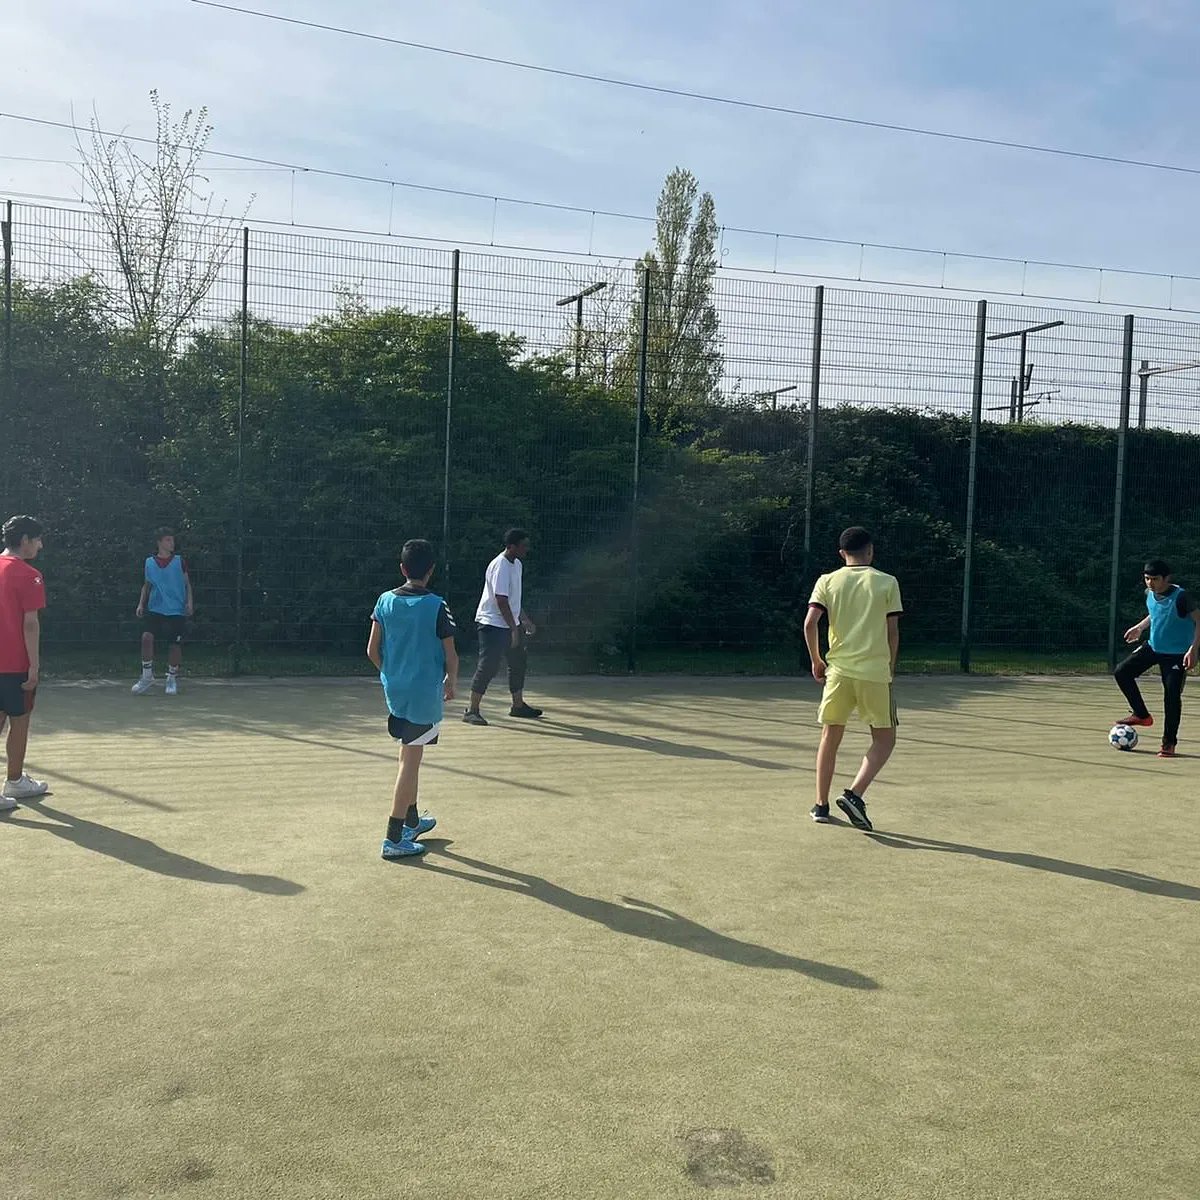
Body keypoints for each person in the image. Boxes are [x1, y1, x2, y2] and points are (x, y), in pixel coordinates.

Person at [803, 526, 902, 832]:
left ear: (841, 553)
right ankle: (855, 795)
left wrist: (817, 661)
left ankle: (821, 806)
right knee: (884, 740)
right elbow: (892, 631)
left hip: (839, 673)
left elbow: (810, 623)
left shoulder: (827, 581)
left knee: (829, 738)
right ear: (870, 551)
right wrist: (890, 666)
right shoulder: (887, 582)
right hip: (874, 673)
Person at [368, 538, 459, 860]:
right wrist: (451, 682)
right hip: (424, 694)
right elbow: (451, 654)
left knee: (408, 754)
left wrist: (390, 674)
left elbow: (371, 650)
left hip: (396, 691)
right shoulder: (437, 604)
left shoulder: (383, 601)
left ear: (402, 568)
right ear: (430, 571)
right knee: (410, 761)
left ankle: (413, 821)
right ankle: (394, 837)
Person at [1114, 559, 1200, 758]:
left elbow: (1198, 621)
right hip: (1153, 647)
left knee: (1171, 696)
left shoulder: (1182, 597)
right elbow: (1154, 613)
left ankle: (1169, 743)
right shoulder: (1149, 593)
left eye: (1155, 579)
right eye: (1147, 579)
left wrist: (1193, 650)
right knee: (1122, 672)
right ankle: (1141, 715)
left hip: (1177, 655)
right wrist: (1139, 627)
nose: (1150, 583)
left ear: (1166, 578)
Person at [463, 528, 542, 725]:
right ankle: (471, 710)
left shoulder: (517, 565)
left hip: (509, 623)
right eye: (523, 546)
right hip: (491, 624)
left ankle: (518, 706)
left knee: (518, 662)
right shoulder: (500, 566)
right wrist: (513, 629)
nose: (526, 549)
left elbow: (514, 599)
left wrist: (523, 619)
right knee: (488, 666)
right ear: (510, 547)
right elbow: (501, 600)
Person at [0, 515, 48, 809]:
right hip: (15, 664)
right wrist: (34, 666)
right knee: (19, 722)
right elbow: (30, 624)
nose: (41, 545)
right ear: (25, 540)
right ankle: (15, 781)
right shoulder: (30, 575)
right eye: (38, 539)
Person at [132, 528, 193, 697]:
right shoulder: (149, 562)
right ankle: (147, 676)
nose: (171, 543)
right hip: (155, 608)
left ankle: (171, 678)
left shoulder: (179, 561)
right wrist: (140, 604)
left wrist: (189, 602)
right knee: (146, 638)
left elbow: (187, 584)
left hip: (176, 609)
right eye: (168, 540)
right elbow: (147, 585)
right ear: (159, 542)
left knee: (174, 645)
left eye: (172, 540)